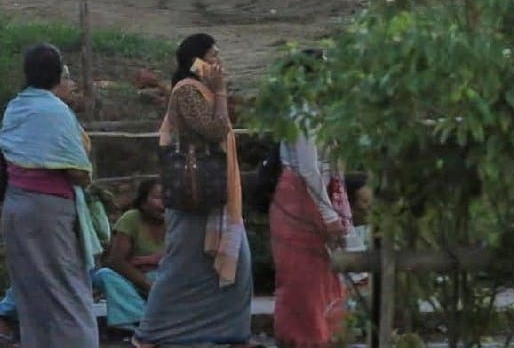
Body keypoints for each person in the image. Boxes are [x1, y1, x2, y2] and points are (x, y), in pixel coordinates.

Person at [133, 33, 253, 348]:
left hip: (217, 194)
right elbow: (214, 129)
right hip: (195, 194)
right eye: (212, 55)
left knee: (237, 262)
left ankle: (232, 332)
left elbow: (226, 121)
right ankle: (149, 333)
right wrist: (222, 91)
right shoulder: (187, 91)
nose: (218, 62)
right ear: (196, 60)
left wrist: (220, 94)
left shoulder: (206, 91)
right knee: (180, 266)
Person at [0, 43, 100, 348]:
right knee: (67, 290)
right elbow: (79, 170)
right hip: (48, 211)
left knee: (31, 293)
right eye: (65, 73)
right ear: (56, 74)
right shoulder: (55, 111)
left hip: (15, 207)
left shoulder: (16, 105)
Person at [269, 49, 354, 347]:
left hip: (317, 195)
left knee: (320, 275)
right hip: (300, 199)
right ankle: (304, 338)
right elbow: (309, 168)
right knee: (303, 278)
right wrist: (329, 214)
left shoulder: (323, 112)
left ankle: (322, 335)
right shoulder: (301, 112)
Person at [93, 179, 166, 332]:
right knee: (104, 275)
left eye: (167, 198)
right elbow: (117, 261)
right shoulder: (131, 218)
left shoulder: (175, 219)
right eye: (158, 198)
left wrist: (155, 259)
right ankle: (141, 319)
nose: (163, 204)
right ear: (143, 201)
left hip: (167, 280)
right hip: (138, 282)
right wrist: (147, 284)